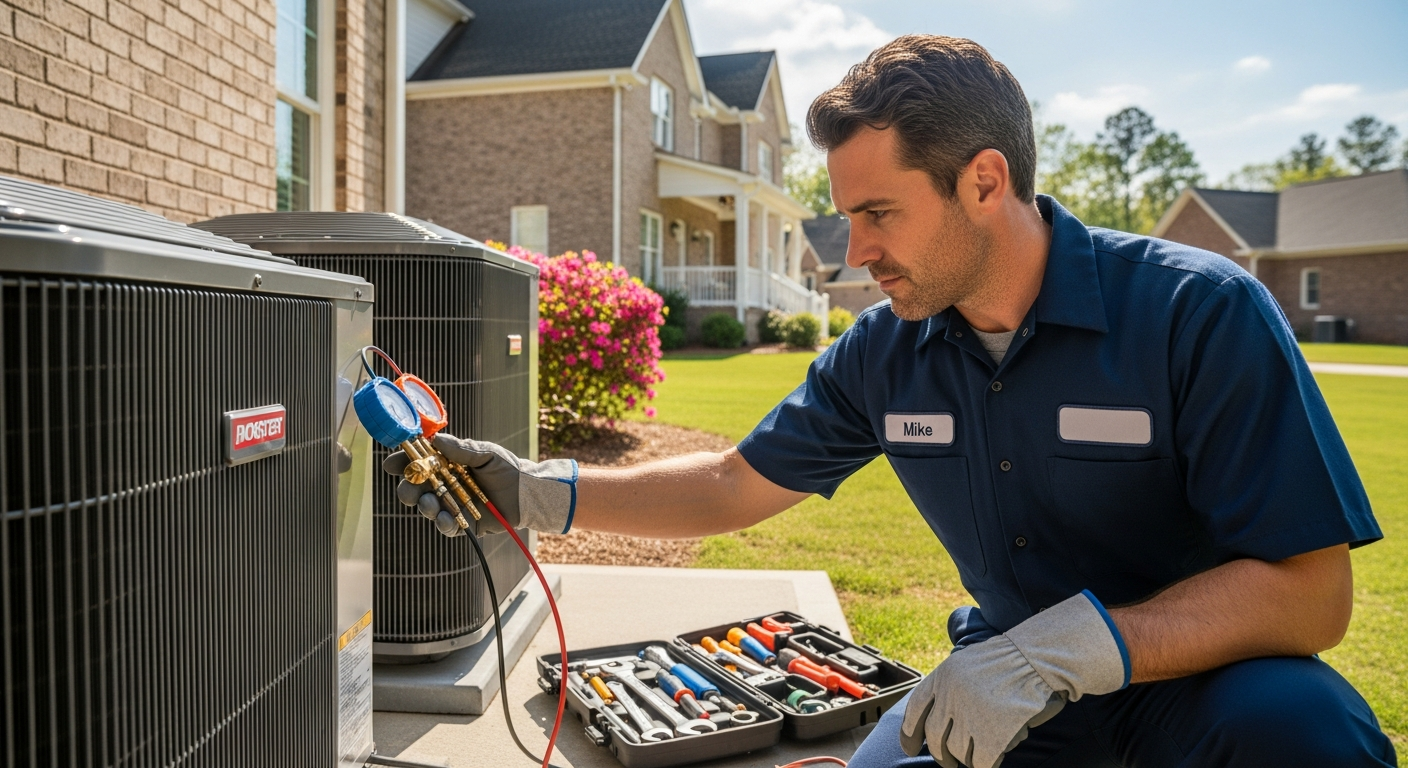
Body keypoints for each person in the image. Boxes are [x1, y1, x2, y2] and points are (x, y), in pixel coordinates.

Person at [384, 35, 1395, 768]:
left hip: (1200, 699)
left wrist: (1061, 650)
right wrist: (541, 492)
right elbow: (734, 484)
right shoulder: (886, 351)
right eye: (845, 217)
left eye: (877, 214)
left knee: (1306, 728)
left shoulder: (1197, 313)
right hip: (994, 707)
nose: (854, 257)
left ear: (984, 182)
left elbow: (1309, 594)